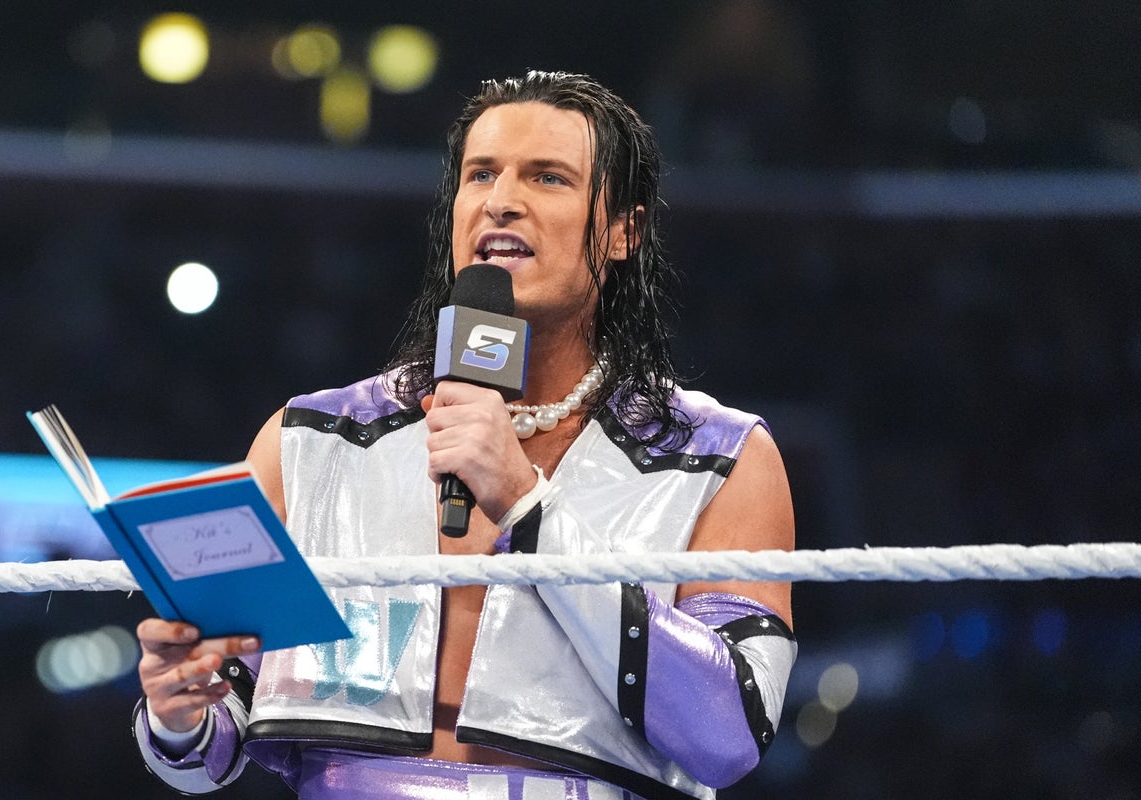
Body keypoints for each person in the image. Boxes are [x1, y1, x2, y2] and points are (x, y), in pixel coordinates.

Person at [133, 70, 797, 800]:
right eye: (481, 174)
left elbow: (729, 737)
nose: (500, 200)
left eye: (547, 177)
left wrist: (525, 505)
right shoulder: (312, 441)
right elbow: (213, 726)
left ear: (621, 232)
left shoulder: (718, 459)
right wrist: (178, 716)